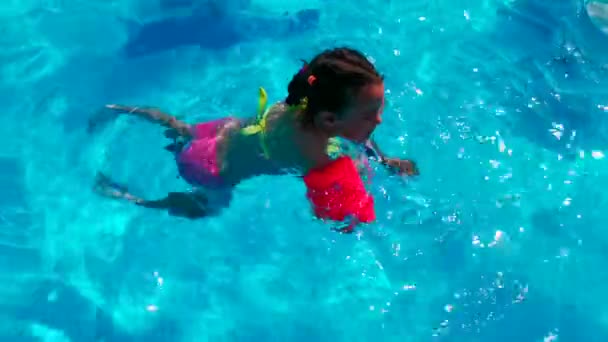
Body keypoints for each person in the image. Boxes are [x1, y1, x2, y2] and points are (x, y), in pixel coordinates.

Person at [90, 47, 418, 229]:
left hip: (218, 131)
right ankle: (133, 200)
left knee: (180, 128)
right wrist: (351, 220)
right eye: (370, 114)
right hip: (210, 171)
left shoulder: (304, 99)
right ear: (330, 120)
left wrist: (385, 161)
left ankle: (121, 110)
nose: (379, 119)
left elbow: (356, 137)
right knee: (206, 208)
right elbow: (327, 210)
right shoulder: (315, 153)